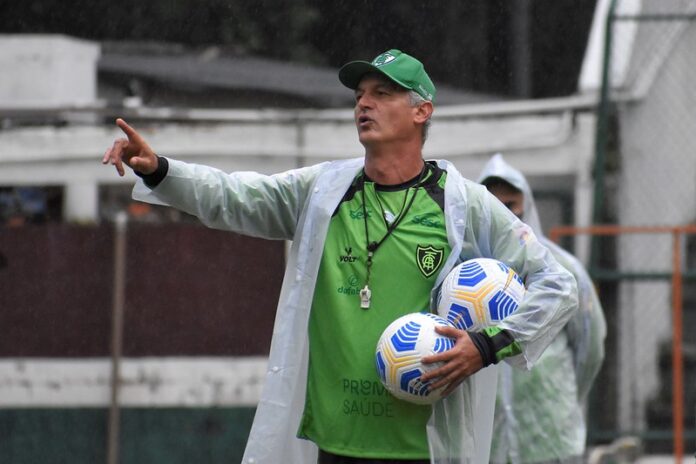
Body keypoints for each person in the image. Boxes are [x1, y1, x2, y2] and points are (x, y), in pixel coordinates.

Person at [102, 49, 578, 464]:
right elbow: (235, 196)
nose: (364, 104)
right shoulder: (324, 191)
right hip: (335, 439)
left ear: (421, 111)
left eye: (382, 93)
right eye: (359, 95)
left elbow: (558, 285)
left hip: (422, 445)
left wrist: (486, 345)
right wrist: (164, 170)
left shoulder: (463, 203)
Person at [478, 153, 607, 464]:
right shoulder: (465, 275)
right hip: (486, 444)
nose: (503, 216)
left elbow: (589, 349)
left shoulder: (562, 271)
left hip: (550, 441)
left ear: (527, 206)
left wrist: (559, 399)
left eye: (510, 205)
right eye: (492, 207)